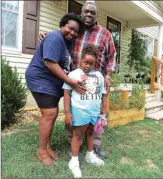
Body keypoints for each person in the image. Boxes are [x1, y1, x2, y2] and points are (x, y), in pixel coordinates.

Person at [38, 1, 116, 158]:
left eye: (92, 12)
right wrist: (47, 35)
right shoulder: (76, 31)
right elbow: (62, 35)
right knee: (75, 109)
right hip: (75, 79)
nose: (88, 14)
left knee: (94, 111)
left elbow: (112, 56)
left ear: (96, 15)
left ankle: (94, 146)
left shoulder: (105, 33)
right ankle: (74, 141)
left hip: (95, 80)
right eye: (85, 11)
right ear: (82, 13)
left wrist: (107, 75)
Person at [25, 13, 85, 165]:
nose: (72, 33)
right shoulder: (55, 37)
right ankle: (42, 151)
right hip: (40, 78)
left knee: (52, 113)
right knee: (50, 113)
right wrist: (70, 82)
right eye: (70, 28)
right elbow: (50, 63)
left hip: (51, 81)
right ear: (62, 25)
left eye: (75, 31)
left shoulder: (66, 42)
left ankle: (47, 147)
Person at [63, 45, 107, 178]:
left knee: (90, 133)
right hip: (79, 111)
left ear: (95, 63)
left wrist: (104, 111)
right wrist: (67, 113)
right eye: (85, 62)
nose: (88, 66)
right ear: (80, 60)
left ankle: (90, 155)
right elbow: (66, 94)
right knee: (77, 136)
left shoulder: (99, 75)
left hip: (94, 112)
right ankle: (74, 162)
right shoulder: (73, 74)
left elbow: (103, 94)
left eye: (91, 63)